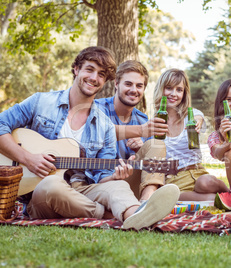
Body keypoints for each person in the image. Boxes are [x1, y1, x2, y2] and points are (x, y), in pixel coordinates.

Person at [0, 46, 179, 230]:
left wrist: (115, 177)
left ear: (105, 81)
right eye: (89, 69)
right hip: (40, 191)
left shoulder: (104, 125)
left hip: (83, 188)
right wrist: (27, 158)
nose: (94, 78)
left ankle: (138, 215)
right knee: (52, 185)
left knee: (119, 187)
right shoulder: (41, 102)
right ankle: (105, 214)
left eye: (101, 74)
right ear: (76, 69)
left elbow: (102, 176)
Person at [96, 60, 169, 201]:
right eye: (128, 84)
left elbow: (149, 164)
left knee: (157, 144)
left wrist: (142, 151)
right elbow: (102, 132)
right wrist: (140, 131)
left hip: (129, 183)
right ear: (116, 84)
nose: (134, 90)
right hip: (102, 183)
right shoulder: (98, 109)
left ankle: (147, 201)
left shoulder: (142, 119)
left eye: (139, 86)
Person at [153, 69, 230, 201]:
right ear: (161, 89)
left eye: (179, 90)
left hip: (198, 173)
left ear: (184, 93)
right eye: (169, 88)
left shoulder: (191, 115)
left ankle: (228, 191)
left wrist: (198, 120)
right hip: (175, 181)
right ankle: (225, 199)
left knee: (204, 183)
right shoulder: (154, 123)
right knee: (210, 200)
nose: (174, 94)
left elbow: (198, 116)